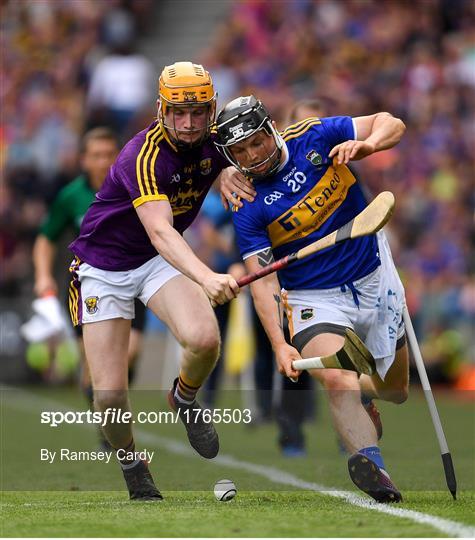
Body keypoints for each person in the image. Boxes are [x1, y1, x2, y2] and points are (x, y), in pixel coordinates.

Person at [216, 95, 408, 503]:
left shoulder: (314, 135)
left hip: (375, 277)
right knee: (338, 379)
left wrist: (368, 145)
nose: (252, 156)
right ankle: (373, 470)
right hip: (313, 297)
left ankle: (367, 392)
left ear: (270, 129)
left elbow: (391, 121)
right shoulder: (247, 203)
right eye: (239, 151)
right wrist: (279, 343)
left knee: (396, 390)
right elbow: (263, 281)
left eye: (256, 142)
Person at [68, 62, 239, 501]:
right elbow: (162, 231)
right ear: (161, 110)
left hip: (154, 262)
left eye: (198, 112)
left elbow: (254, 151)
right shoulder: (140, 156)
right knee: (107, 398)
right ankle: (131, 463)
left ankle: (183, 398)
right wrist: (206, 276)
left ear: (211, 109)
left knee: (204, 339)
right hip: (104, 268)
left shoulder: (219, 141)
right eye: (178, 113)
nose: (187, 123)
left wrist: (228, 172)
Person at [33, 128, 146, 447]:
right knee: (92, 371)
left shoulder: (132, 184)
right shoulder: (71, 196)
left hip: (132, 278)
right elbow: (45, 238)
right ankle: (105, 418)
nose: (103, 161)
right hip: (89, 286)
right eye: (96, 155)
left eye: (109, 154)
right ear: (84, 160)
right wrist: (43, 275)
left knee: (131, 352)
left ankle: (114, 403)